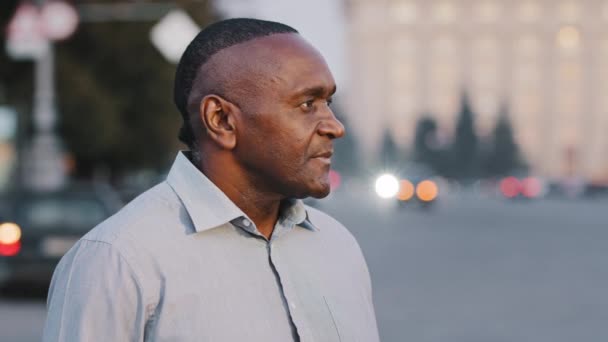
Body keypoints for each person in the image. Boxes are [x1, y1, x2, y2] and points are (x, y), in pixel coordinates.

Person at [43, 18, 379, 342]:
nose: (335, 126)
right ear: (221, 120)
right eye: (307, 104)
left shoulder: (339, 247)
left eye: (328, 102)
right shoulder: (118, 260)